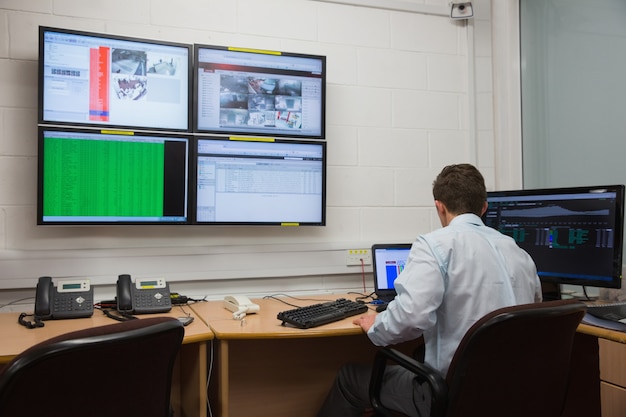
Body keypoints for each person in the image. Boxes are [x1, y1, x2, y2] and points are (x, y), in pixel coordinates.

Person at [316, 163, 542, 417]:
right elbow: (533, 315)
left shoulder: (436, 245)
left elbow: (411, 317)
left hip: (449, 395)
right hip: (512, 395)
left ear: (439, 207)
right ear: (484, 208)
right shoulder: (520, 253)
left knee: (349, 377)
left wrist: (376, 325)